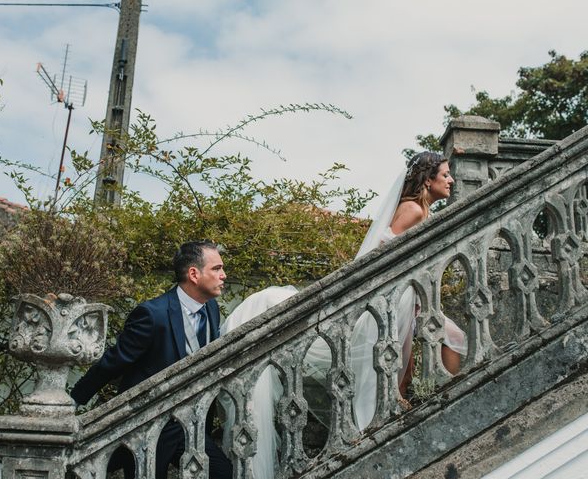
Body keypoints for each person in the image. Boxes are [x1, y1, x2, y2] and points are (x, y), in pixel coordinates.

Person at [220, 152, 467, 478]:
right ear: (428, 179)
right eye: (445, 174)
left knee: (434, 349)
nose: (450, 180)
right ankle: (398, 418)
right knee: (386, 367)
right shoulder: (413, 209)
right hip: (395, 297)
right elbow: (380, 256)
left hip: (411, 297)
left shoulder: (424, 210)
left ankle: (440, 397)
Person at [70, 240, 233, 479]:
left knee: (224, 474)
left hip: (191, 425)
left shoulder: (211, 309)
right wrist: (74, 400)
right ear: (194, 274)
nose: (223, 275)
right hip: (148, 428)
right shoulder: (152, 314)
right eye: (217, 269)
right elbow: (114, 361)